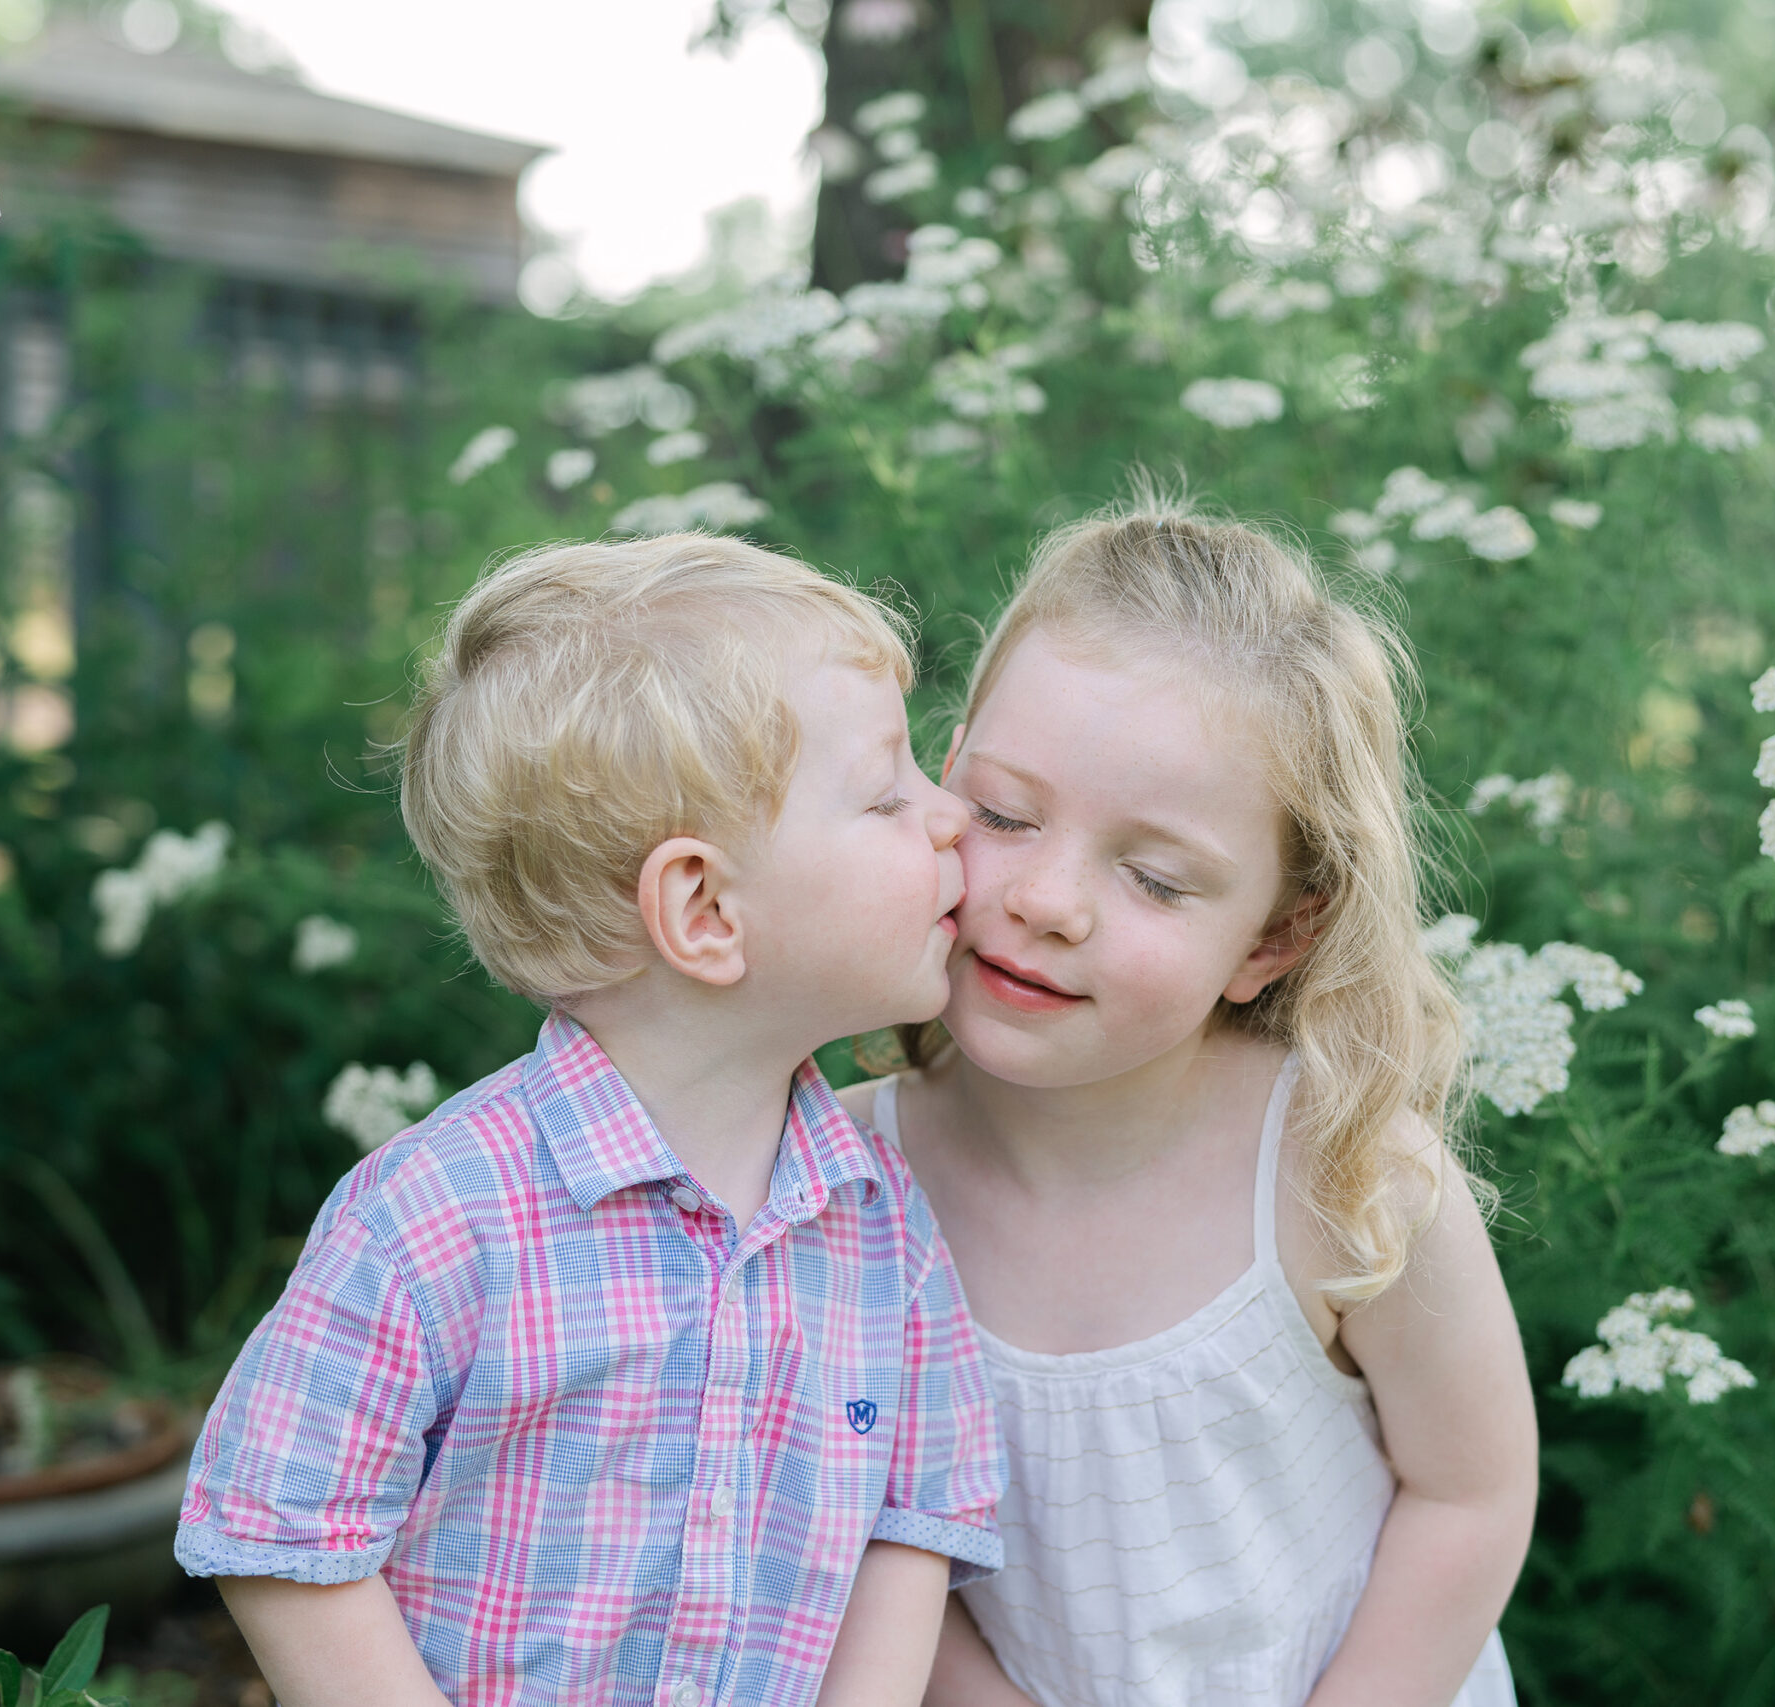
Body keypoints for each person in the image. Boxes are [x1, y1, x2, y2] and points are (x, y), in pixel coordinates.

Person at [175, 534, 1008, 1707]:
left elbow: (911, 1525)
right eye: (886, 793)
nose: (950, 814)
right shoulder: (438, 1220)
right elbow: (282, 1530)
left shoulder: (880, 1226)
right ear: (705, 907)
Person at [843, 500, 1536, 1707]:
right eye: (1005, 815)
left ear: (1272, 936)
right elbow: (857, 1538)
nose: (1048, 900)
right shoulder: (837, 1183)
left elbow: (1470, 1493)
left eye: (1156, 879)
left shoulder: (1340, 1171)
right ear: (942, 775)